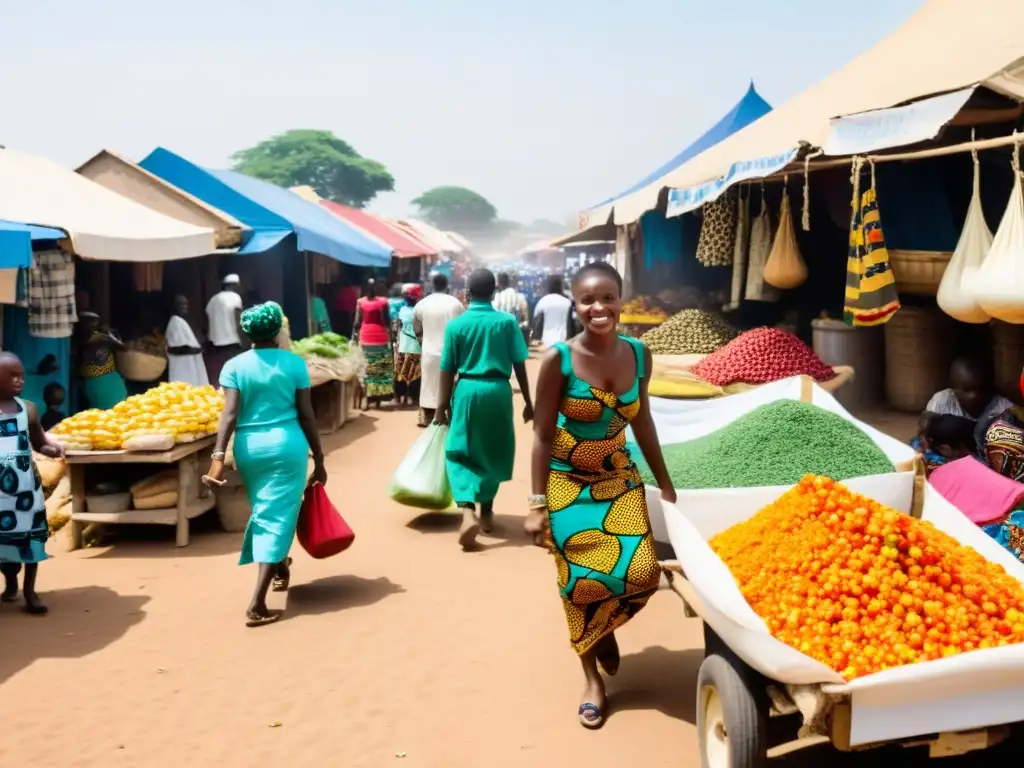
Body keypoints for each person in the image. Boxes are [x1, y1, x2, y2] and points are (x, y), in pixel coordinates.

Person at [527, 260, 676, 730]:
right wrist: (536, 505)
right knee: (579, 586)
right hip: (567, 485)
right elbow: (542, 435)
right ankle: (592, 680)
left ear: (620, 300)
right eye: (588, 300)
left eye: (607, 297)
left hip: (618, 479)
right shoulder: (559, 360)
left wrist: (666, 483)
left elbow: (644, 421)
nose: (599, 307)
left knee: (644, 572)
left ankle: (604, 624)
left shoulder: (639, 353)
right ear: (575, 304)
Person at [202, 303, 326, 627]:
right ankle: (256, 603)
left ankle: (281, 567)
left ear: (247, 332)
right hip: (288, 446)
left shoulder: (234, 366)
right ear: (277, 330)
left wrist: (217, 456)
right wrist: (320, 457)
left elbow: (228, 414)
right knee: (277, 513)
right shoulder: (294, 364)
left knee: (266, 509)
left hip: (249, 449)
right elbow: (307, 414)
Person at [434, 269, 534, 550]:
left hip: (466, 390)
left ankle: (467, 511)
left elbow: (446, 369)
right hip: (498, 391)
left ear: (467, 293)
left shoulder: (457, 326)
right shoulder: (506, 322)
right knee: (493, 449)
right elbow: (519, 364)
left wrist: (441, 406)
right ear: (493, 293)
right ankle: (487, 511)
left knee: (459, 450)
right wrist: (528, 401)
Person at [0, 352, 66, 615]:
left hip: (24, 491)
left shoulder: (28, 409)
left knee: (30, 540)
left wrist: (55, 451)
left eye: (22, 376)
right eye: (12, 376)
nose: (19, 381)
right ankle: (10, 583)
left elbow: (40, 444)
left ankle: (30, 591)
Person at [924, 358, 1013, 453]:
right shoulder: (942, 400)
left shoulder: (1003, 408)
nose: (974, 396)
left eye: (981, 388)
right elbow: (925, 434)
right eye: (966, 389)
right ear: (952, 387)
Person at [414, 273, 464, 426]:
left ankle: (427, 418)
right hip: (452, 353)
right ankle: (449, 415)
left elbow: (416, 329)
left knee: (429, 384)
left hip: (429, 351)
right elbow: (463, 329)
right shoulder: (456, 304)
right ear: (447, 285)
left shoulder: (422, 304)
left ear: (432, 286)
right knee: (451, 384)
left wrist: (423, 342)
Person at [354, 278, 394, 407]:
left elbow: (357, 322)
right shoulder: (383, 302)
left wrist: (355, 336)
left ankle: (366, 398)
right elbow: (387, 321)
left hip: (365, 337)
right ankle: (377, 399)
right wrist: (391, 333)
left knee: (366, 367)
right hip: (380, 337)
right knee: (379, 369)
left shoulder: (360, 302)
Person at [77, 311, 128, 410]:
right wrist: (109, 333)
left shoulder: (83, 339)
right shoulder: (98, 339)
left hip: (100, 383)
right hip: (105, 385)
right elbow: (122, 347)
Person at [204, 274, 244, 386]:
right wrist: (242, 336)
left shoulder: (213, 299)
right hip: (231, 340)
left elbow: (206, 318)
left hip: (215, 342)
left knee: (220, 370)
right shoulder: (235, 297)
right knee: (233, 371)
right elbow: (238, 317)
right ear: (235, 285)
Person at [165, 295, 209, 388]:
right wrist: (194, 350)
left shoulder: (180, 321)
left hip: (188, 368)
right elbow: (174, 349)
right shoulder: (175, 322)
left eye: (186, 304)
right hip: (182, 369)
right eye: (180, 304)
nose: (184, 306)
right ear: (173, 306)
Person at [394, 284, 424, 414]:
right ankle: (413, 399)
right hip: (415, 346)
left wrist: (396, 341)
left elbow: (397, 327)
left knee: (402, 374)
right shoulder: (419, 310)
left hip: (404, 345)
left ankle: (401, 398)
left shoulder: (402, 310)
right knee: (415, 375)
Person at [532, 274, 575, 348]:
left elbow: (537, 324)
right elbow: (572, 324)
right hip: (564, 342)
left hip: (545, 342)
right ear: (561, 287)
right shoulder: (567, 302)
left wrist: (537, 338)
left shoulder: (542, 301)